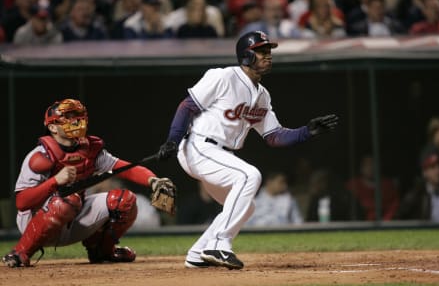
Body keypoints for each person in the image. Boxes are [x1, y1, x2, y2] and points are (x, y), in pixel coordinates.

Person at [157, 30, 339, 270]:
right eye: (262, 52)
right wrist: (173, 139)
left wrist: (307, 131)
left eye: (269, 52)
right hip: (198, 145)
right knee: (248, 175)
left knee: (247, 206)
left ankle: (198, 252)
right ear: (246, 55)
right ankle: (220, 244)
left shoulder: (262, 95)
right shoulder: (223, 77)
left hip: (220, 154)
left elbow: (274, 137)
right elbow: (187, 106)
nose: (268, 56)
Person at [2, 99, 170, 268]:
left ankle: (102, 251)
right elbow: (22, 203)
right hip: (36, 221)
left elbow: (125, 168)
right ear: (52, 127)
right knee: (67, 202)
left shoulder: (89, 150)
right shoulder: (40, 156)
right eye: (68, 117)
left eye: (77, 116)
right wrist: (55, 181)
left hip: (73, 216)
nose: (75, 121)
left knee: (124, 200)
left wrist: (153, 180)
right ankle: (21, 252)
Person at [345, 155, 399, 221]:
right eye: (367, 164)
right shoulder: (352, 185)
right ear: (361, 167)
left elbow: (393, 206)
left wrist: (385, 221)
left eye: (373, 164)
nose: (371, 167)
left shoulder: (387, 185)